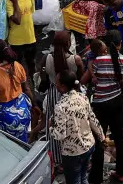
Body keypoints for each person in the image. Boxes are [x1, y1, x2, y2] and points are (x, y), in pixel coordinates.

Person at [83, 32, 123, 184]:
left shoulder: (95, 61)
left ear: (105, 44)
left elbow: (83, 80)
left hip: (100, 105)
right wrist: (119, 82)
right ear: (120, 43)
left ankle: (96, 178)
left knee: (99, 140)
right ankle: (121, 173)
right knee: (119, 138)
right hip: (117, 103)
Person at [49, 69, 105, 184]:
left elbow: (59, 135)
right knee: (83, 177)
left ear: (63, 86)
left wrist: (51, 127)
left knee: (74, 181)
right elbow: (93, 119)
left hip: (72, 153)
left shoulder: (61, 107)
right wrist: (102, 137)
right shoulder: (83, 97)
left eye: (57, 83)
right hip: (89, 146)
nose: (56, 85)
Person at [39, 30, 84, 169]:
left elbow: (43, 77)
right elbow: (80, 79)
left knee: (54, 126)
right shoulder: (75, 59)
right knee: (72, 125)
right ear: (68, 43)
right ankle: (73, 156)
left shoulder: (46, 58)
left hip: (53, 93)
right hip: (71, 93)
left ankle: (57, 160)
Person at [0, 38, 33, 142]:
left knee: (7, 144)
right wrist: (35, 107)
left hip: (7, 120)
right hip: (23, 113)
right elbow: (26, 89)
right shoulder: (17, 65)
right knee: (22, 143)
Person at [4, 0, 36, 77]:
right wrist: (15, 2)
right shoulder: (9, 1)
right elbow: (17, 20)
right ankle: (19, 85)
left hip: (30, 38)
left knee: (31, 63)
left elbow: (31, 13)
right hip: (16, 41)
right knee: (17, 66)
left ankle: (33, 82)